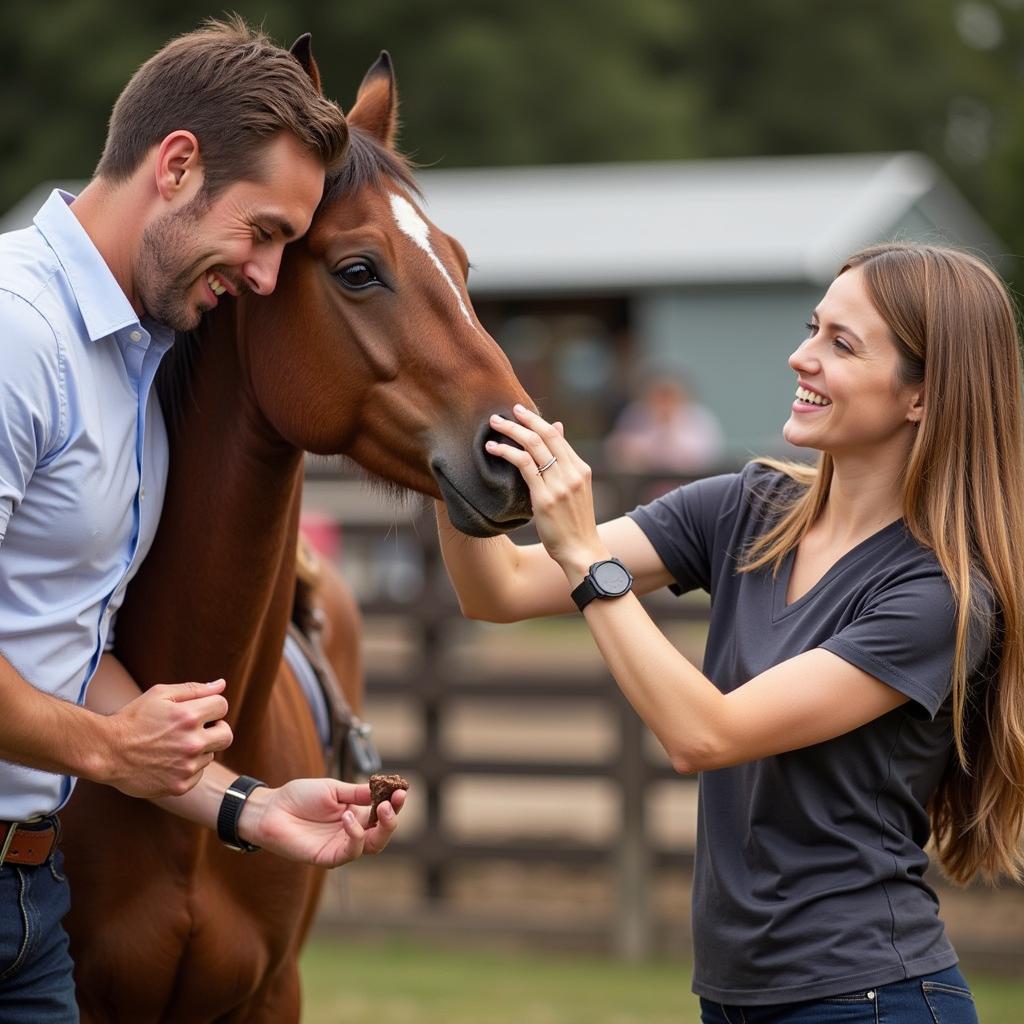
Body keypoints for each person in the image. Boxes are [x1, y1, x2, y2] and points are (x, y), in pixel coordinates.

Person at [437, 243, 1024, 1022]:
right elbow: (501, 589)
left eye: (841, 345)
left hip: (870, 998)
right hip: (736, 996)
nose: (800, 357)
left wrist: (583, 553)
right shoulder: (747, 507)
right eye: (813, 328)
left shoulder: (939, 596)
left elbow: (705, 734)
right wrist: (440, 448)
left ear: (922, 396)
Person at [0, 19, 405, 1020]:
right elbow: (99, 729)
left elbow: (60, 645)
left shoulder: (132, 363)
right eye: (262, 231)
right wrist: (102, 751)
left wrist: (250, 805)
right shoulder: (18, 334)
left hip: (26, 896)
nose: (267, 277)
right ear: (176, 166)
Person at [605, 370, 725, 473]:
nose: (665, 404)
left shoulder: (699, 417)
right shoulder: (636, 414)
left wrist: (670, 430)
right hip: (644, 488)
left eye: (670, 397)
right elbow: (619, 451)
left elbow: (706, 456)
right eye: (660, 396)